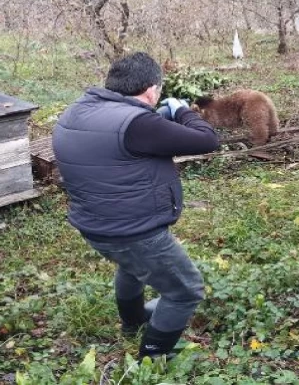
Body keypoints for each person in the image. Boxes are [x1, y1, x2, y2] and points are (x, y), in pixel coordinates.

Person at [52, 52, 220, 360]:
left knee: (131, 267)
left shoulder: (76, 110)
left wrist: (158, 121)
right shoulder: (138, 124)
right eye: (159, 92)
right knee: (185, 290)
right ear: (152, 89)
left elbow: (118, 141)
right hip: (134, 233)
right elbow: (207, 140)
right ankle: (152, 357)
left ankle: (133, 324)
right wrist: (182, 112)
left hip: (97, 226)